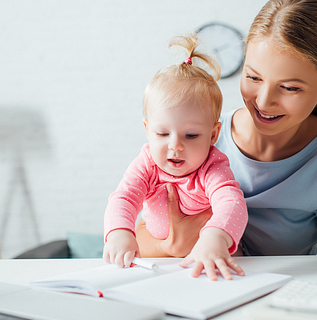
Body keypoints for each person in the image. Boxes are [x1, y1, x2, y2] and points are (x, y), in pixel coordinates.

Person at [136, 0, 317, 266]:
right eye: (253, 78)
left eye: (289, 88)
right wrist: (171, 245)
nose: (263, 101)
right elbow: (139, 237)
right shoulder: (195, 137)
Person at [103, 34, 248, 281]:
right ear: (148, 129)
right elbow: (124, 198)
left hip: (208, 263)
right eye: (162, 133)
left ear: (213, 135)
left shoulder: (212, 166)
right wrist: (119, 232)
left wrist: (215, 237)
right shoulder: (147, 163)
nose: (175, 146)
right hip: (160, 267)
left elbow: (232, 202)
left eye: (191, 135)